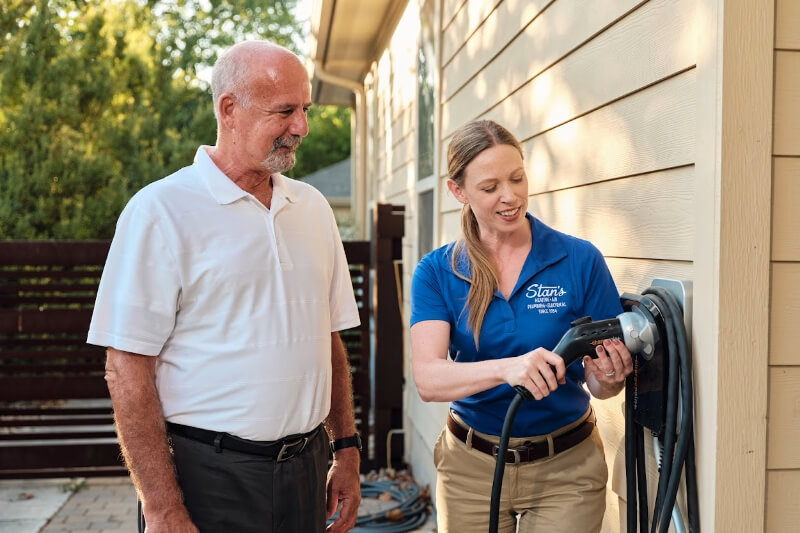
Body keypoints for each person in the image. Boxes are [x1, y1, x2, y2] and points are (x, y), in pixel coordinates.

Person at [87, 40, 362, 533]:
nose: (300, 126)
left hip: (306, 470)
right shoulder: (160, 211)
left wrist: (345, 448)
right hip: (207, 479)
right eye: (284, 111)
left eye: (305, 109)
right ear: (229, 109)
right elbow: (126, 368)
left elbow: (329, 340)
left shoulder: (314, 208)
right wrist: (163, 507)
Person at [410, 119, 634, 533]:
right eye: (490, 187)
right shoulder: (437, 272)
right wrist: (507, 368)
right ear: (458, 191)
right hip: (469, 469)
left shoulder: (579, 260)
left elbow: (601, 383)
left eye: (517, 178)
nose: (510, 196)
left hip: (566, 469)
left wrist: (610, 378)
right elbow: (428, 379)